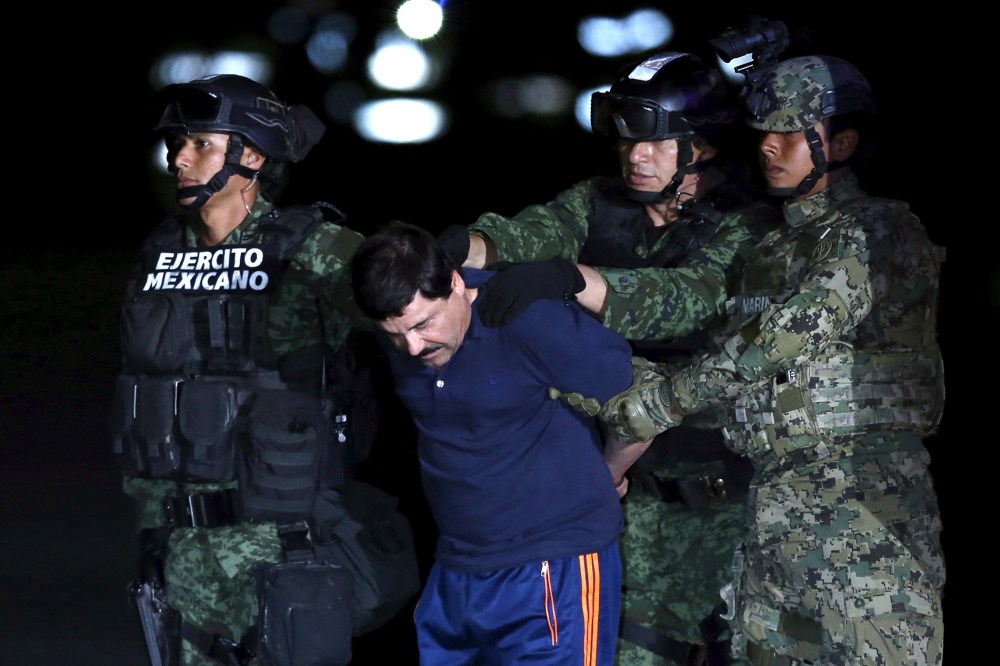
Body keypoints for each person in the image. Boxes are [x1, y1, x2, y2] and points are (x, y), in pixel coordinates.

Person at [589, 54, 947, 665]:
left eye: (788, 132)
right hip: (771, 501)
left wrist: (659, 404)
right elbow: (725, 363)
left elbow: (788, 333)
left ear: (841, 142)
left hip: (862, 498)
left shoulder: (877, 229)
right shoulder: (771, 248)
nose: (769, 148)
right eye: (764, 133)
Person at [436, 51, 781, 664]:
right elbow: (530, 233)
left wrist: (575, 280)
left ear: (701, 147)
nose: (635, 156)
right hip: (624, 493)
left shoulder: (747, 224)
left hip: (728, 506)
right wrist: (460, 247)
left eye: (655, 142)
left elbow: (691, 300)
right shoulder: (602, 202)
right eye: (626, 141)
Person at [109, 74, 418, 666]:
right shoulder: (159, 252)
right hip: (178, 547)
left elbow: (423, 310)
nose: (180, 157)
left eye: (202, 143)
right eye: (177, 143)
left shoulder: (308, 247)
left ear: (251, 155)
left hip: (277, 548)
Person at [350, 221, 644, 665]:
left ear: (454, 282)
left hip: (551, 562)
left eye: (423, 324)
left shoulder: (528, 319)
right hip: (457, 569)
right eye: (395, 334)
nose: (411, 347)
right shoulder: (405, 335)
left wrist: (610, 472)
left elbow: (644, 406)